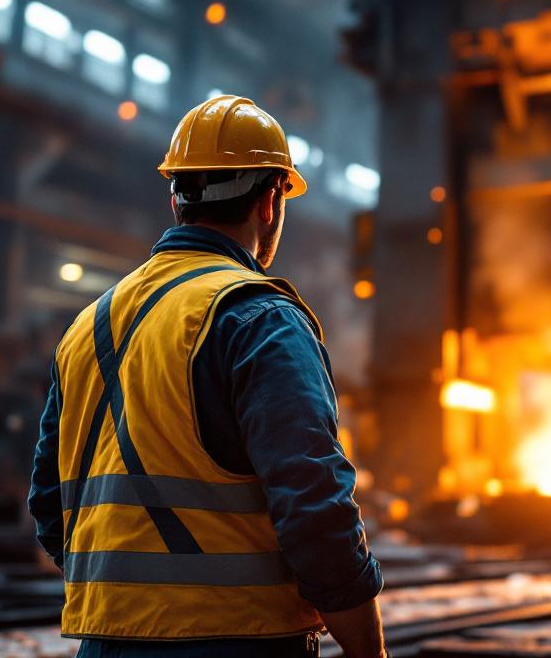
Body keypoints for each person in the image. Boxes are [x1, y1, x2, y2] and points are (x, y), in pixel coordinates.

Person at [28, 95, 385, 658]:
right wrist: (369, 652)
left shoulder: (88, 326)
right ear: (271, 200)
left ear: (176, 196)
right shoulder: (259, 318)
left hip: (104, 643)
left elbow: (51, 503)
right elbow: (316, 511)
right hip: (237, 642)